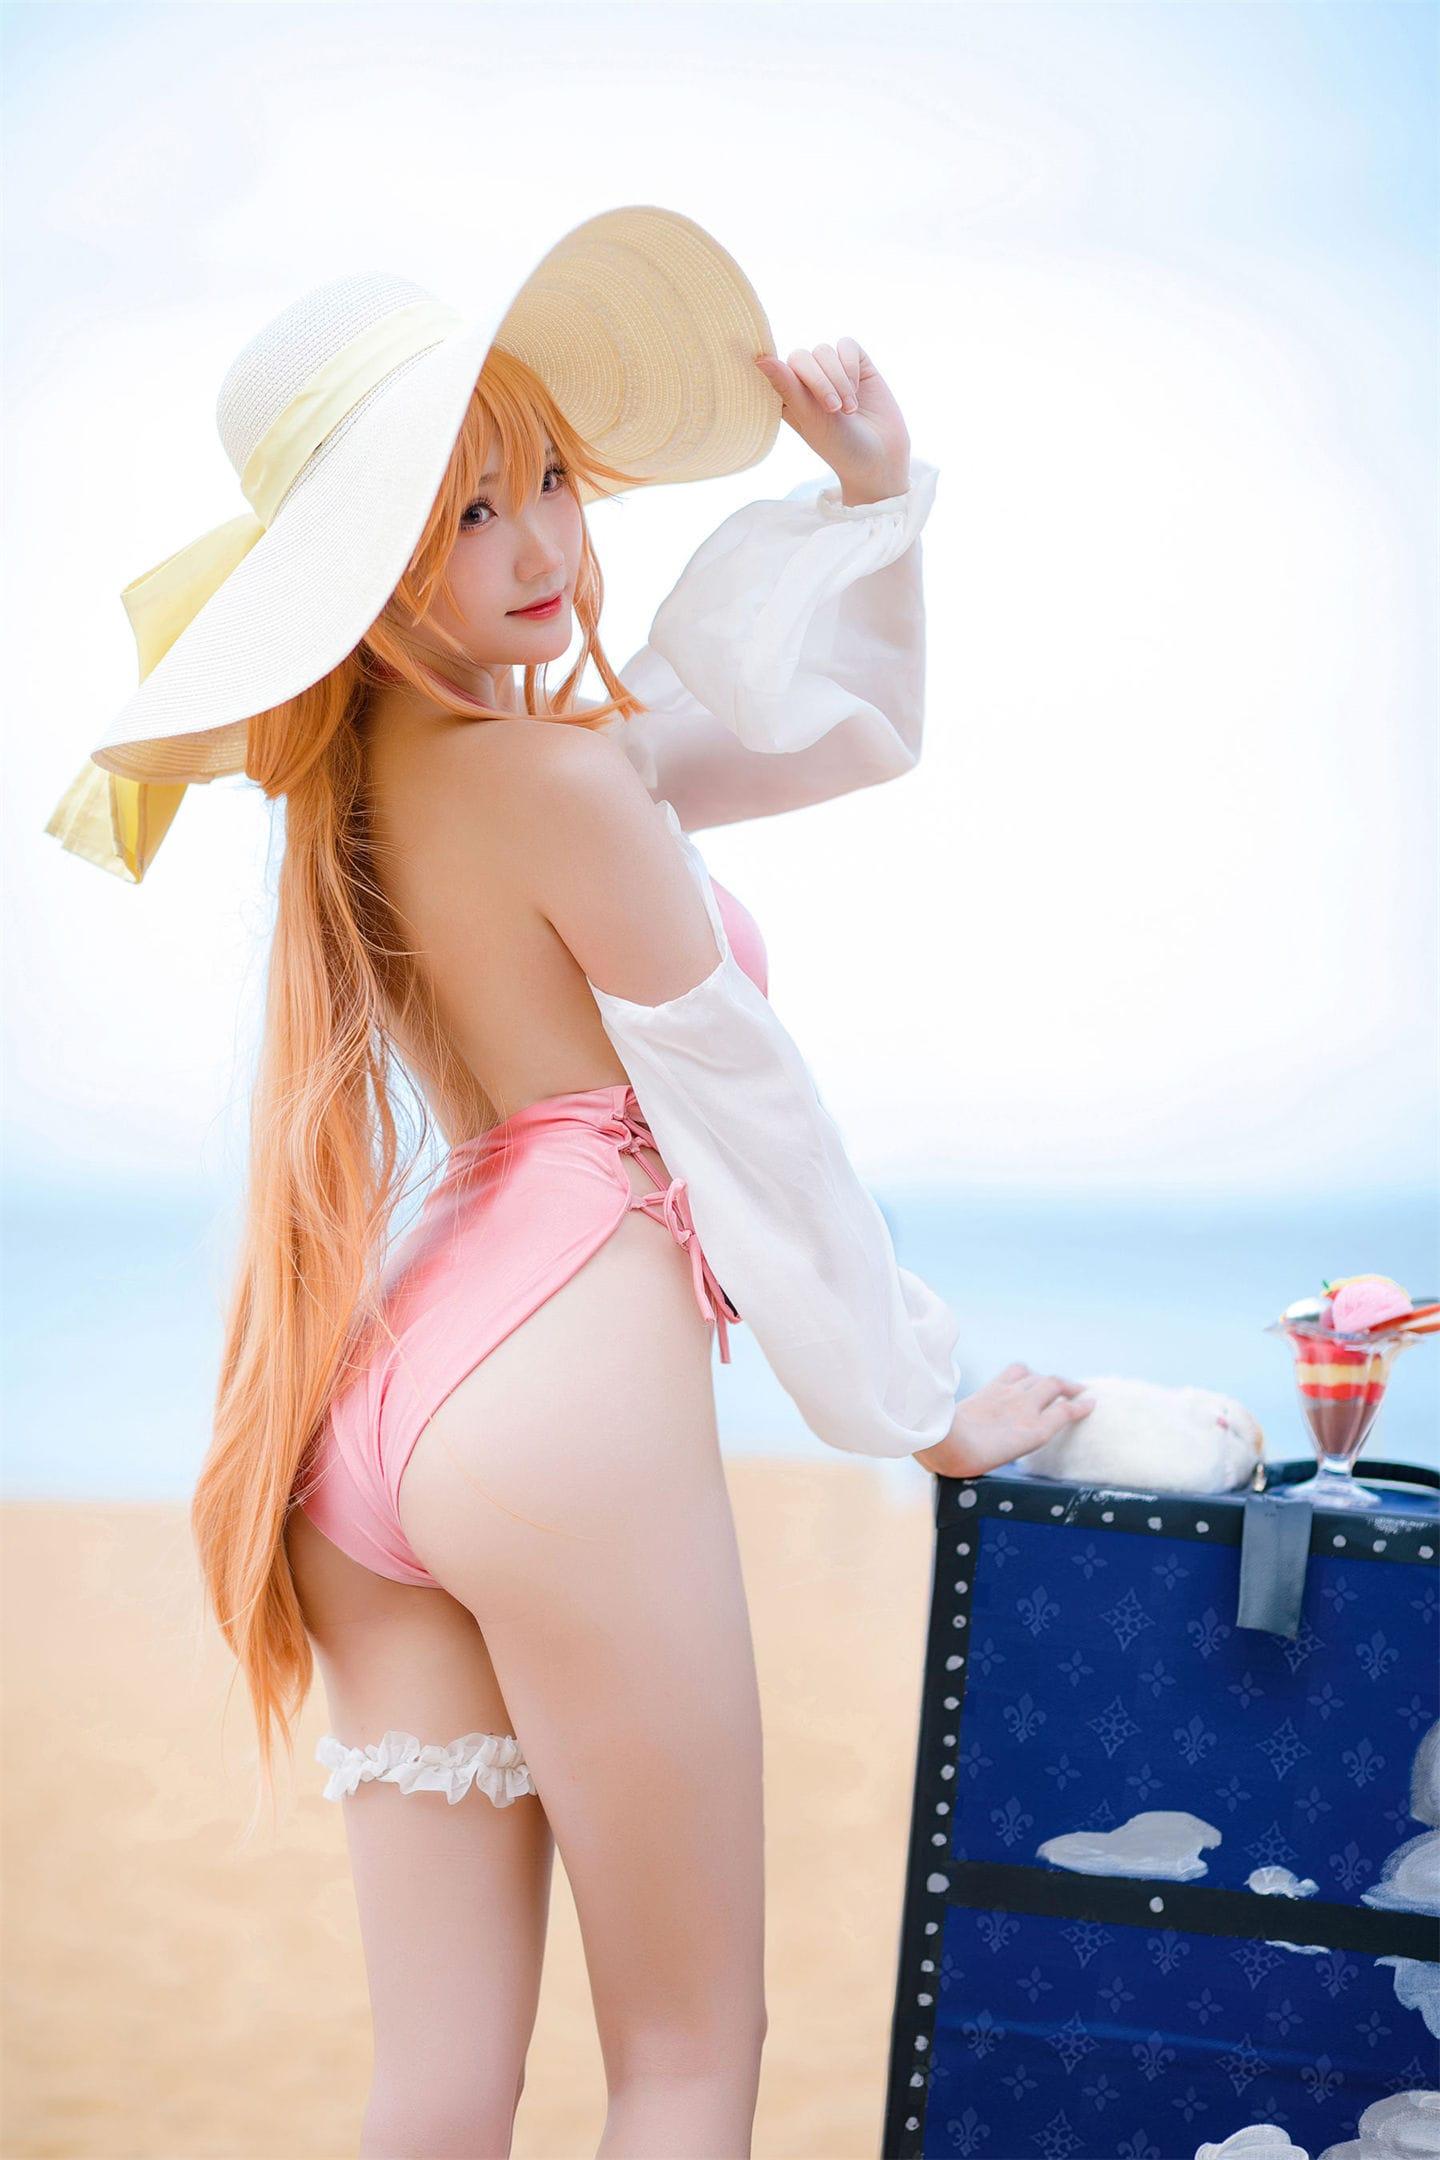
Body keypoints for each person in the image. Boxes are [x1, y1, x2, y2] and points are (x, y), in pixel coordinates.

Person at [44, 206, 1094, 2160]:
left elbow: (845, 732)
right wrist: (921, 1406)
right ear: (371, 568)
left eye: (545, 482)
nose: (538, 544)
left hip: (387, 1391)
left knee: (436, 2093)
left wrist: (874, 504)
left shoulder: (376, 784)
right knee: (689, 2055)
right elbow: (755, 1128)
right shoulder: (560, 780)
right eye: (465, 513)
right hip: (561, 1378)